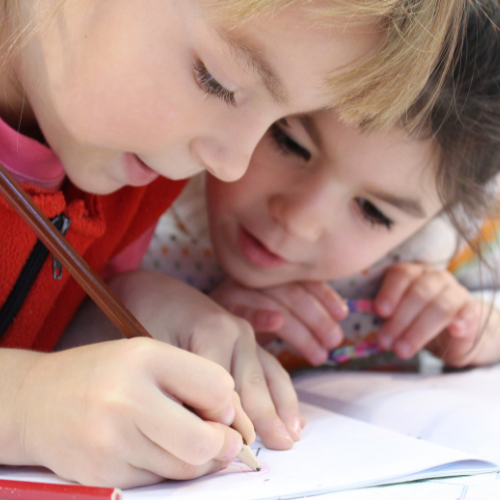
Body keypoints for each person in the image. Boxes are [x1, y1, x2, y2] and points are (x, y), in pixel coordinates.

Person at [0, 0, 467, 489]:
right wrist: (24, 406)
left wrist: (110, 317)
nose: (231, 166)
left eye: (277, 123)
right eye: (216, 82)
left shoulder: (135, 176)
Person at [143, 0, 500, 379]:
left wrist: (476, 327)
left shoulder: (447, 244)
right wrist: (186, 326)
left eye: (372, 211)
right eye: (289, 144)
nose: (299, 222)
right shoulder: (151, 190)